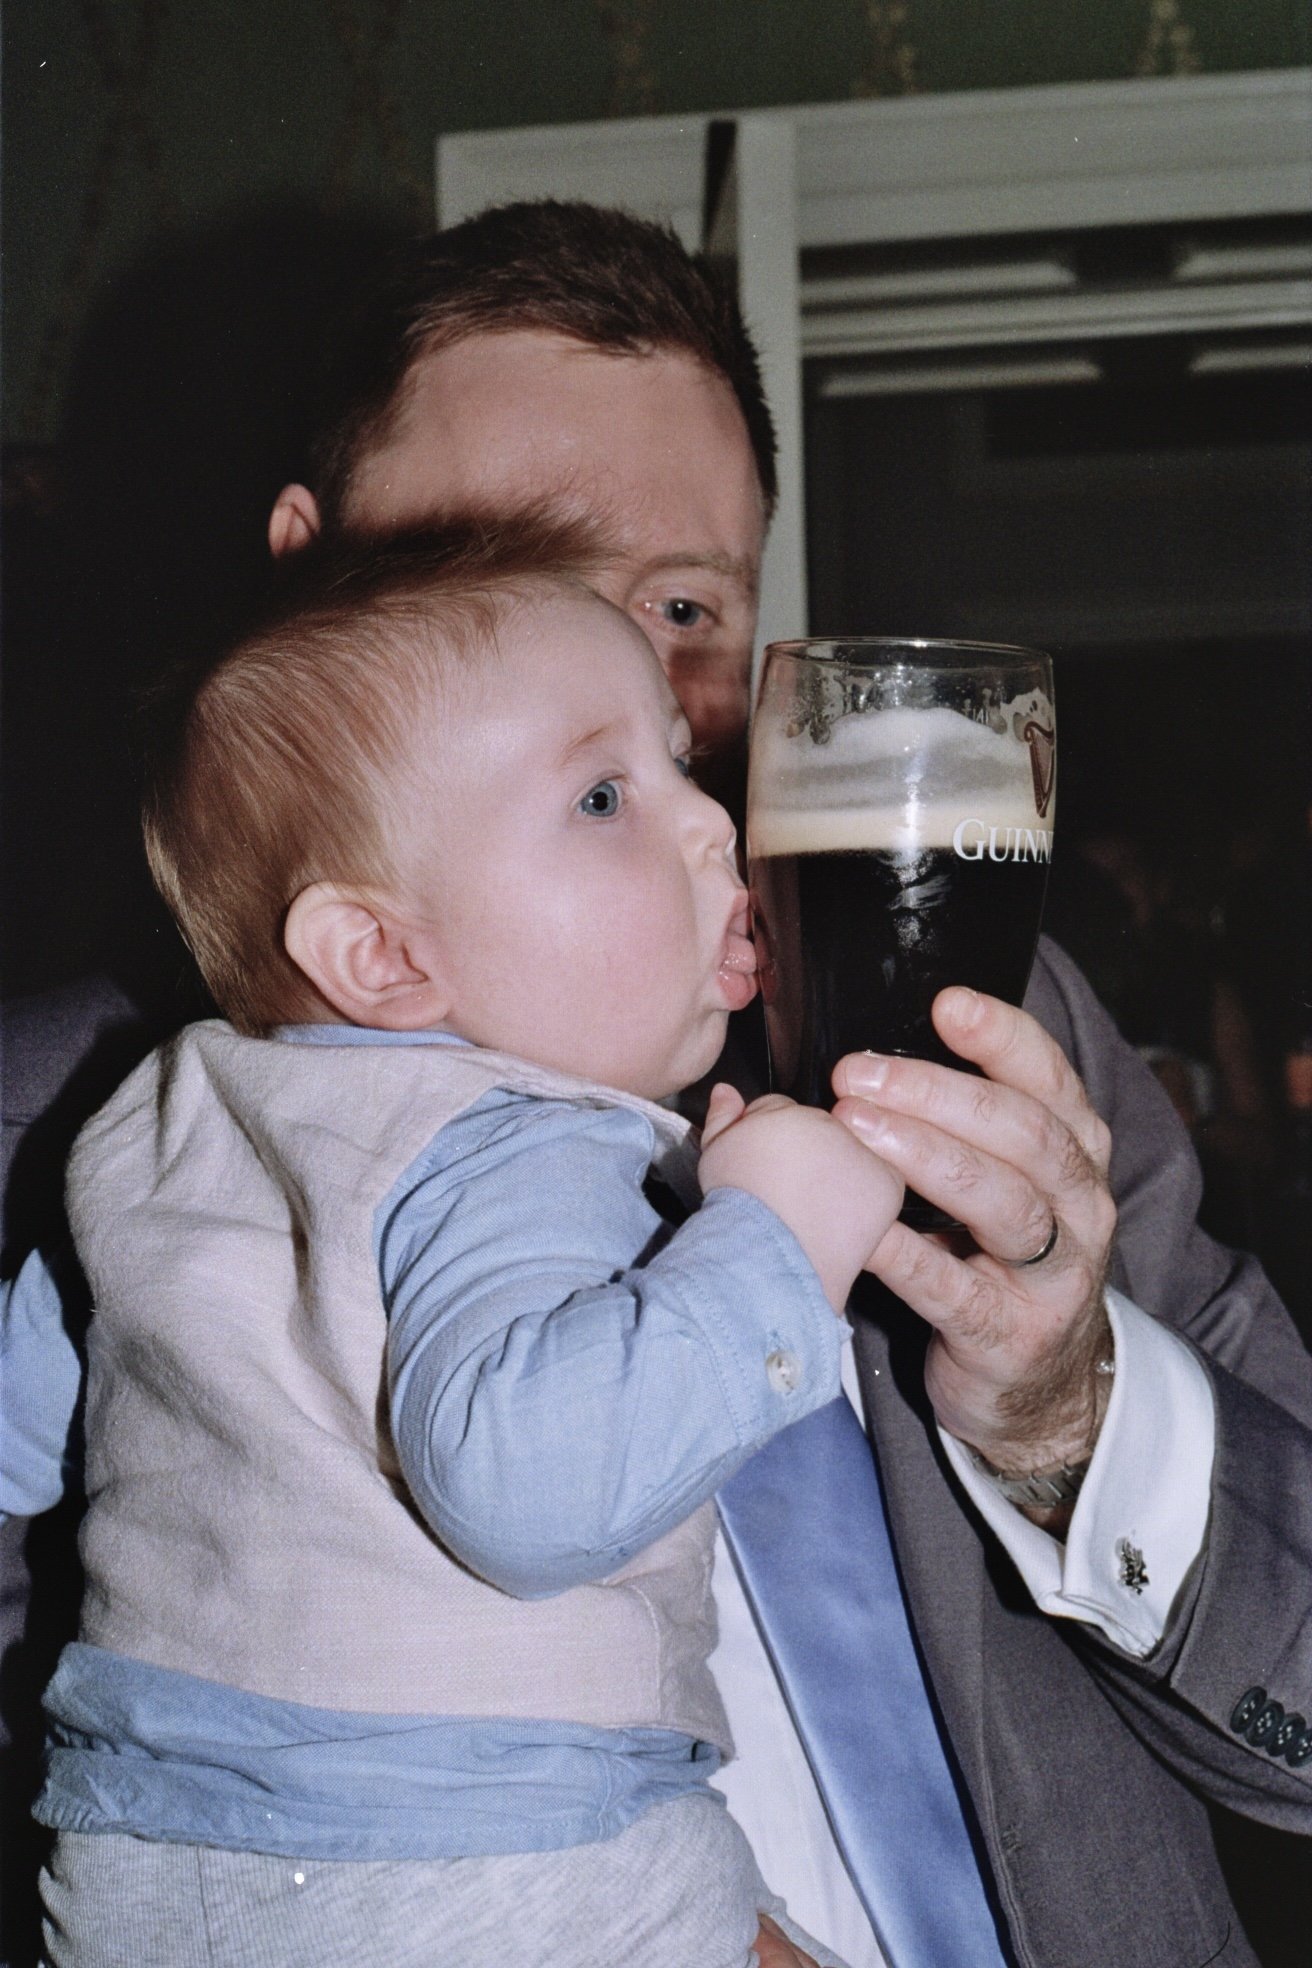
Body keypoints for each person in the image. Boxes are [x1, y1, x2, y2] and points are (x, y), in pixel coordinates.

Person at [5, 202, 1310, 1968]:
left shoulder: (999, 1037)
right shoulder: (75, 1129)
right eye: (503, 555)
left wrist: (1074, 1428)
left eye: (686, 605)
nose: (629, 668)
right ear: (308, 569)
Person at [6, 521, 914, 1966]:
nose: (710, 822)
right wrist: (778, 1244)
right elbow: (524, 1490)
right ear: (385, 956)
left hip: (133, 1850)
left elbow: (30, 1432)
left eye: (681, 761)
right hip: (482, 1853)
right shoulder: (525, 1136)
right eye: (607, 794)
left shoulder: (155, 1119)